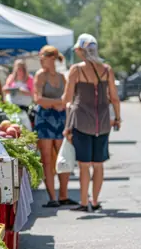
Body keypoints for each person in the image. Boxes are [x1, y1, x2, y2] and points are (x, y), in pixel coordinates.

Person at [62, 34, 121, 212]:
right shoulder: (107, 70)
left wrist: (67, 126)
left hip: (81, 121)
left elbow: (67, 99)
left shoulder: (76, 70)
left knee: (84, 165)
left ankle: (83, 202)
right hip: (102, 122)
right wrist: (117, 118)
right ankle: (95, 201)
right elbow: (115, 98)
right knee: (99, 164)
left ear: (82, 50)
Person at [32, 46, 71, 207]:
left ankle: (63, 195)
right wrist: (57, 103)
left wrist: (56, 104)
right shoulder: (40, 75)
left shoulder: (63, 77)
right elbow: (38, 99)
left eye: (43, 58)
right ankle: (52, 198)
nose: (41, 61)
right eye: (40, 58)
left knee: (63, 157)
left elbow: (68, 98)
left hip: (61, 119)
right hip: (44, 119)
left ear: (52, 59)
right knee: (47, 159)